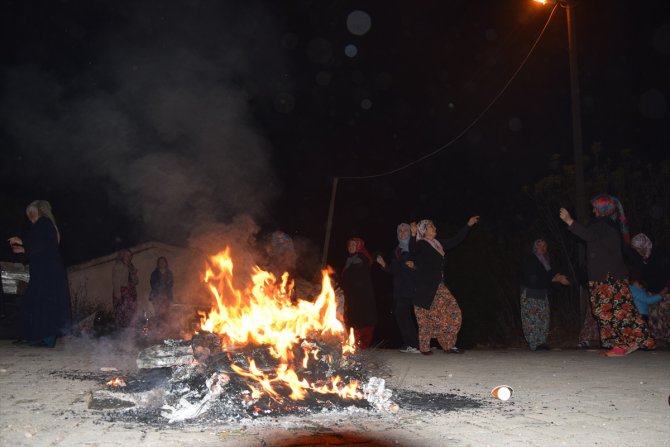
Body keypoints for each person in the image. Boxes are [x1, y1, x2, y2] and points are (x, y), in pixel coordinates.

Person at [559, 194, 655, 356]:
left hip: (606, 278)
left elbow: (588, 235)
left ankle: (622, 344)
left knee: (609, 311)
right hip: (611, 276)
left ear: (603, 209)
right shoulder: (610, 225)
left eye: (595, 207)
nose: (593, 210)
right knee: (620, 310)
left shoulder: (603, 225)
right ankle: (632, 341)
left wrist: (569, 221)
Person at [409, 216, 479, 355]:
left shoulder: (438, 244)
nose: (435, 228)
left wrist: (468, 225)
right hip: (425, 287)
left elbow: (456, 240)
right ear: (424, 230)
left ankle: (449, 345)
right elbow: (413, 250)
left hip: (439, 285)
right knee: (425, 316)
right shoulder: (421, 244)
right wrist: (412, 234)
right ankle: (425, 347)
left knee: (452, 311)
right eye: (432, 226)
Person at [8, 200, 71, 347]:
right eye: (28, 213)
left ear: (39, 211)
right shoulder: (43, 225)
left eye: (31, 212)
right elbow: (41, 247)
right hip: (45, 270)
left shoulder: (43, 223)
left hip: (47, 271)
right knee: (35, 302)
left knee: (43, 303)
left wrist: (22, 242)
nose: (29, 215)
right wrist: (23, 248)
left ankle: (44, 339)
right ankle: (31, 336)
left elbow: (44, 246)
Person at [376, 223, 419, 354]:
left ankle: (418, 344)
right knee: (402, 315)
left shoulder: (415, 246)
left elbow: (424, 262)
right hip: (400, 288)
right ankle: (410, 344)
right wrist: (383, 264)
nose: (402, 233)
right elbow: (393, 270)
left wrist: (415, 266)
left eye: (405, 230)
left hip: (414, 286)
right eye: (400, 231)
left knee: (417, 316)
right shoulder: (396, 251)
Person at [520, 239, 570, 351]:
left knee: (543, 318)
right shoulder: (530, 259)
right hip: (530, 293)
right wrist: (555, 279)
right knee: (531, 319)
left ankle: (541, 342)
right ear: (535, 248)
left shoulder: (546, 261)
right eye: (540, 246)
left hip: (542, 293)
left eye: (545, 246)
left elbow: (549, 275)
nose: (543, 248)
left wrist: (559, 277)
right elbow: (533, 278)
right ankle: (534, 344)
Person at [627, 233, 670, 342]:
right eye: (635, 249)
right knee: (654, 317)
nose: (637, 251)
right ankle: (655, 338)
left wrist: (666, 287)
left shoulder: (658, 255)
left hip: (665, 290)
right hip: (651, 291)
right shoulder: (640, 260)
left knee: (666, 315)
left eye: (639, 248)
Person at [341, 237, 377, 349]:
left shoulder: (360, 258)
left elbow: (354, 276)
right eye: (349, 245)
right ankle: (356, 346)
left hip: (361, 297)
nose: (351, 247)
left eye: (353, 245)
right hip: (354, 297)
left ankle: (362, 346)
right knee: (355, 321)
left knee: (362, 322)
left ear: (359, 246)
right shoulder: (350, 260)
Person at [112, 248, 139, 329]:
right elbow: (115, 281)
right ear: (122, 255)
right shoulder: (118, 266)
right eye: (126, 255)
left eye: (130, 255)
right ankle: (121, 334)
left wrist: (134, 274)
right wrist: (118, 295)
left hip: (131, 293)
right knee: (121, 313)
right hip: (122, 293)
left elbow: (136, 282)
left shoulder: (131, 266)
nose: (128, 257)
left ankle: (129, 334)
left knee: (131, 313)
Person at [149, 256, 174, 330]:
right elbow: (153, 284)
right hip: (156, 297)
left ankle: (165, 332)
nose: (162, 263)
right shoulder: (154, 273)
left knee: (166, 315)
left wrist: (166, 295)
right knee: (158, 315)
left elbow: (171, 284)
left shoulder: (169, 273)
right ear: (158, 264)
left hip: (167, 297)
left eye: (163, 262)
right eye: (160, 262)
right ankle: (158, 332)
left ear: (166, 263)